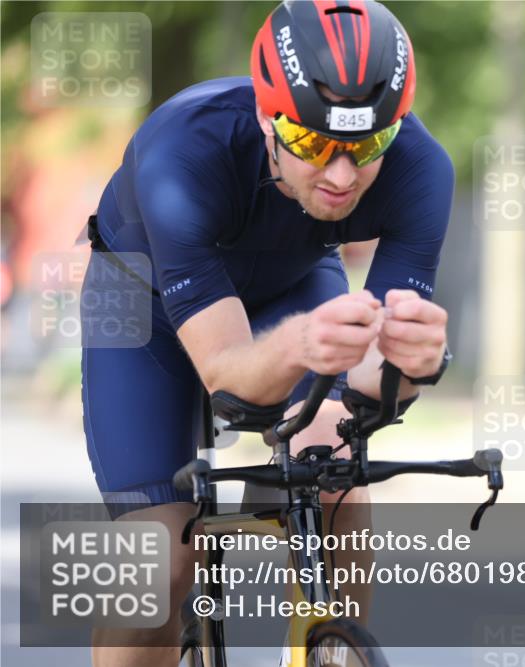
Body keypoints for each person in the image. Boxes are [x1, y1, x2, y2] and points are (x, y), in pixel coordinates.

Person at [81, 2, 453, 664]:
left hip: (291, 285)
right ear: (265, 117)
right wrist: (300, 345)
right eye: (312, 144)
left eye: (366, 147)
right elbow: (229, 378)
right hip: (147, 313)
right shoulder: (183, 152)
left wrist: (415, 368)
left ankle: (325, 651)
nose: (342, 177)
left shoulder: (422, 169)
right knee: (163, 562)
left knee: (334, 467)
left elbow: (373, 388)